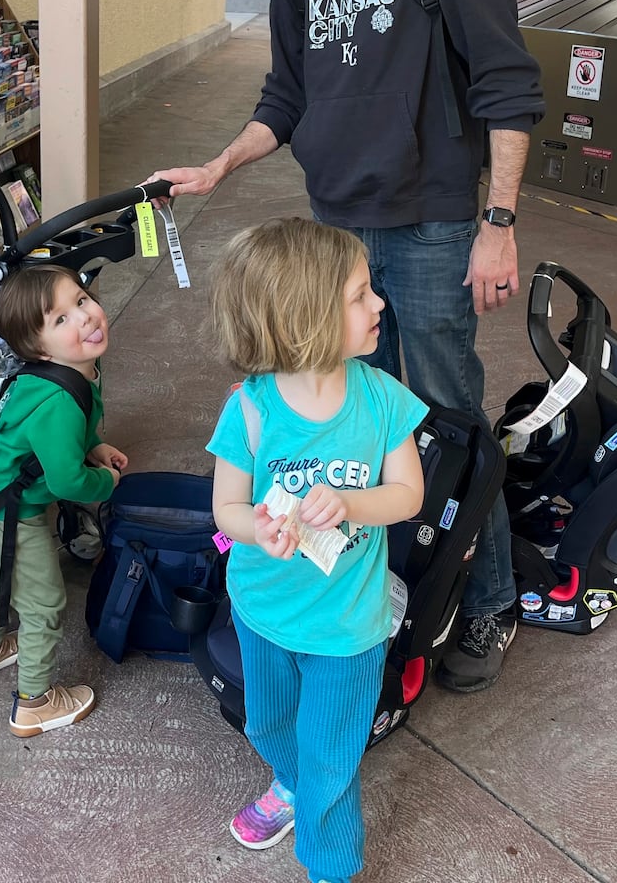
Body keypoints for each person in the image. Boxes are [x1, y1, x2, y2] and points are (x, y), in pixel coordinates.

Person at [154, 0, 546, 693]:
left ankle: (488, 599)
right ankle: (379, 586)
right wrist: (218, 165)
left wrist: (498, 222)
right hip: (338, 234)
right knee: (350, 429)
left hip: (434, 227)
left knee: (446, 415)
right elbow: (285, 94)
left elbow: (506, 85)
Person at [206, 217, 426, 883]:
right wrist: (255, 531)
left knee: (333, 759)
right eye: (361, 295)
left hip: (347, 627)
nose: (379, 303)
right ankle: (293, 785)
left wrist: (354, 503)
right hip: (265, 609)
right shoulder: (249, 410)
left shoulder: (382, 401)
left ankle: (331, 866)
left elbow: (409, 495)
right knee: (268, 725)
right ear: (305, 318)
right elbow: (226, 508)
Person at [0, 263, 126, 737]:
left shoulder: (69, 372)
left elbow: (70, 434)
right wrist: (105, 483)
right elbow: (70, 480)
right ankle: (33, 701)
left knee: (4, 571)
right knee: (45, 603)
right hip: (13, 512)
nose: (85, 317)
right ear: (36, 349)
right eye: (61, 320)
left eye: (80, 300)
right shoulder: (56, 401)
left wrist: (94, 444)